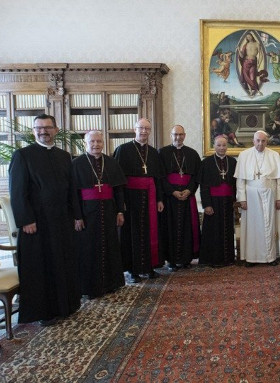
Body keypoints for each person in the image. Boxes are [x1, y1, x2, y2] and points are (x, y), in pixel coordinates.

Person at [8, 114, 80, 325]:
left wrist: (76, 216)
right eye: (38, 128)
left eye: (47, 127)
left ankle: (65, 306)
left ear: (56, 130)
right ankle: (44, 313)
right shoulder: (22, 155)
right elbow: (18, 192)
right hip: (36, 224)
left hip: (61, 222)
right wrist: (26, 220)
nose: (43, 131)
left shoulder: (64, 156)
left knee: (62, 263)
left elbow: (71, 190)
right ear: (33, 131)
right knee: (42, 267)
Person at [72, 130, 127, 298]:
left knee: (110, 245)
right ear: (85, 143)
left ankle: (111, 283)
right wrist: (77, 216)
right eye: (92, 142)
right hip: (87, 213)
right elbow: (73, 194)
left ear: (103, 143)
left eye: (99, 141)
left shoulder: (111, 162)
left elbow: (118, 190)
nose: (96, 144)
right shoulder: (76, 164)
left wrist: (120, 211)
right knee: (89, 248)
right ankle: (90, 287)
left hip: (109, 211)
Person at [114, 118, 165, 283]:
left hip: (149, 197)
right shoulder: (123, 149)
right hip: (131, 198)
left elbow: (158, 179)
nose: (144, 132)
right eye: (141, 128)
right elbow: (119, 180)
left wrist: (159, 200)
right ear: (134, 129)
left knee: (150, 231)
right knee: (131, 233)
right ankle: (133, 270)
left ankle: (149, 267)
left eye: (147, 129)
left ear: (150, 131)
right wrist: (121, 203)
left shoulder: (153, 152)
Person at [234, 130, 280, 265]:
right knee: (252, 227)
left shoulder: (274, 155)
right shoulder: (244, 155)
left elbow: (279, 179)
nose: (260, 143)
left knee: (269, 224)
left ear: (266, 142)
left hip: (270, 194)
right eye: (258, 140)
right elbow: (240, 180)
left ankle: (270, 257)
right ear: (253, 141)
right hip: (251, 195)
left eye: (263, 141)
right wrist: (242, 199)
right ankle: (251, 258)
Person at [158, 125, 201, 270]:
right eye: (175, 134)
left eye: (181, 134)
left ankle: (186, 259)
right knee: (170, 228)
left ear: (185, 135)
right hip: (170, 198)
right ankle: (171, 260)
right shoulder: (162, 153)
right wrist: (172, 192)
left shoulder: (192, 153)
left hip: (187, 197)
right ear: (171, 135)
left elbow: (196, 176)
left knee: (187, 227)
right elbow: (161, 177)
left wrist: (189, 190)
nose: (178, 137)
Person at [197, 135, 237, 267]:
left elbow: (235, 184)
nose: (221, 148)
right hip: (213, 202)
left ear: (227, 146)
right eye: (219, 145)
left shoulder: (233, 162)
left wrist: (235, 201)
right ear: (214, 146)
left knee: (227, 229)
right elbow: (203, 186)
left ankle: (228, 258)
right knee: (214, 230)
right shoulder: (206, 162)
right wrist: (206, 204)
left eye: (224, 145)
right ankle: (213, 259)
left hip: (228, 202)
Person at [238, 33, 263, 97]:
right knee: (247, 77)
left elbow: (261, 55)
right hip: (245, 62)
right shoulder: (246, 45)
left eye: (249, 36)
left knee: (252, 77)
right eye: (247, 37)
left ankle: (257, 90)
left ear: (252, 36)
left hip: (253, 62)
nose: (248, 38)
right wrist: (239, 51)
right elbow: (242, 56)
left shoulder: (257, 44)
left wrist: (259, 64)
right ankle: (251, 92)